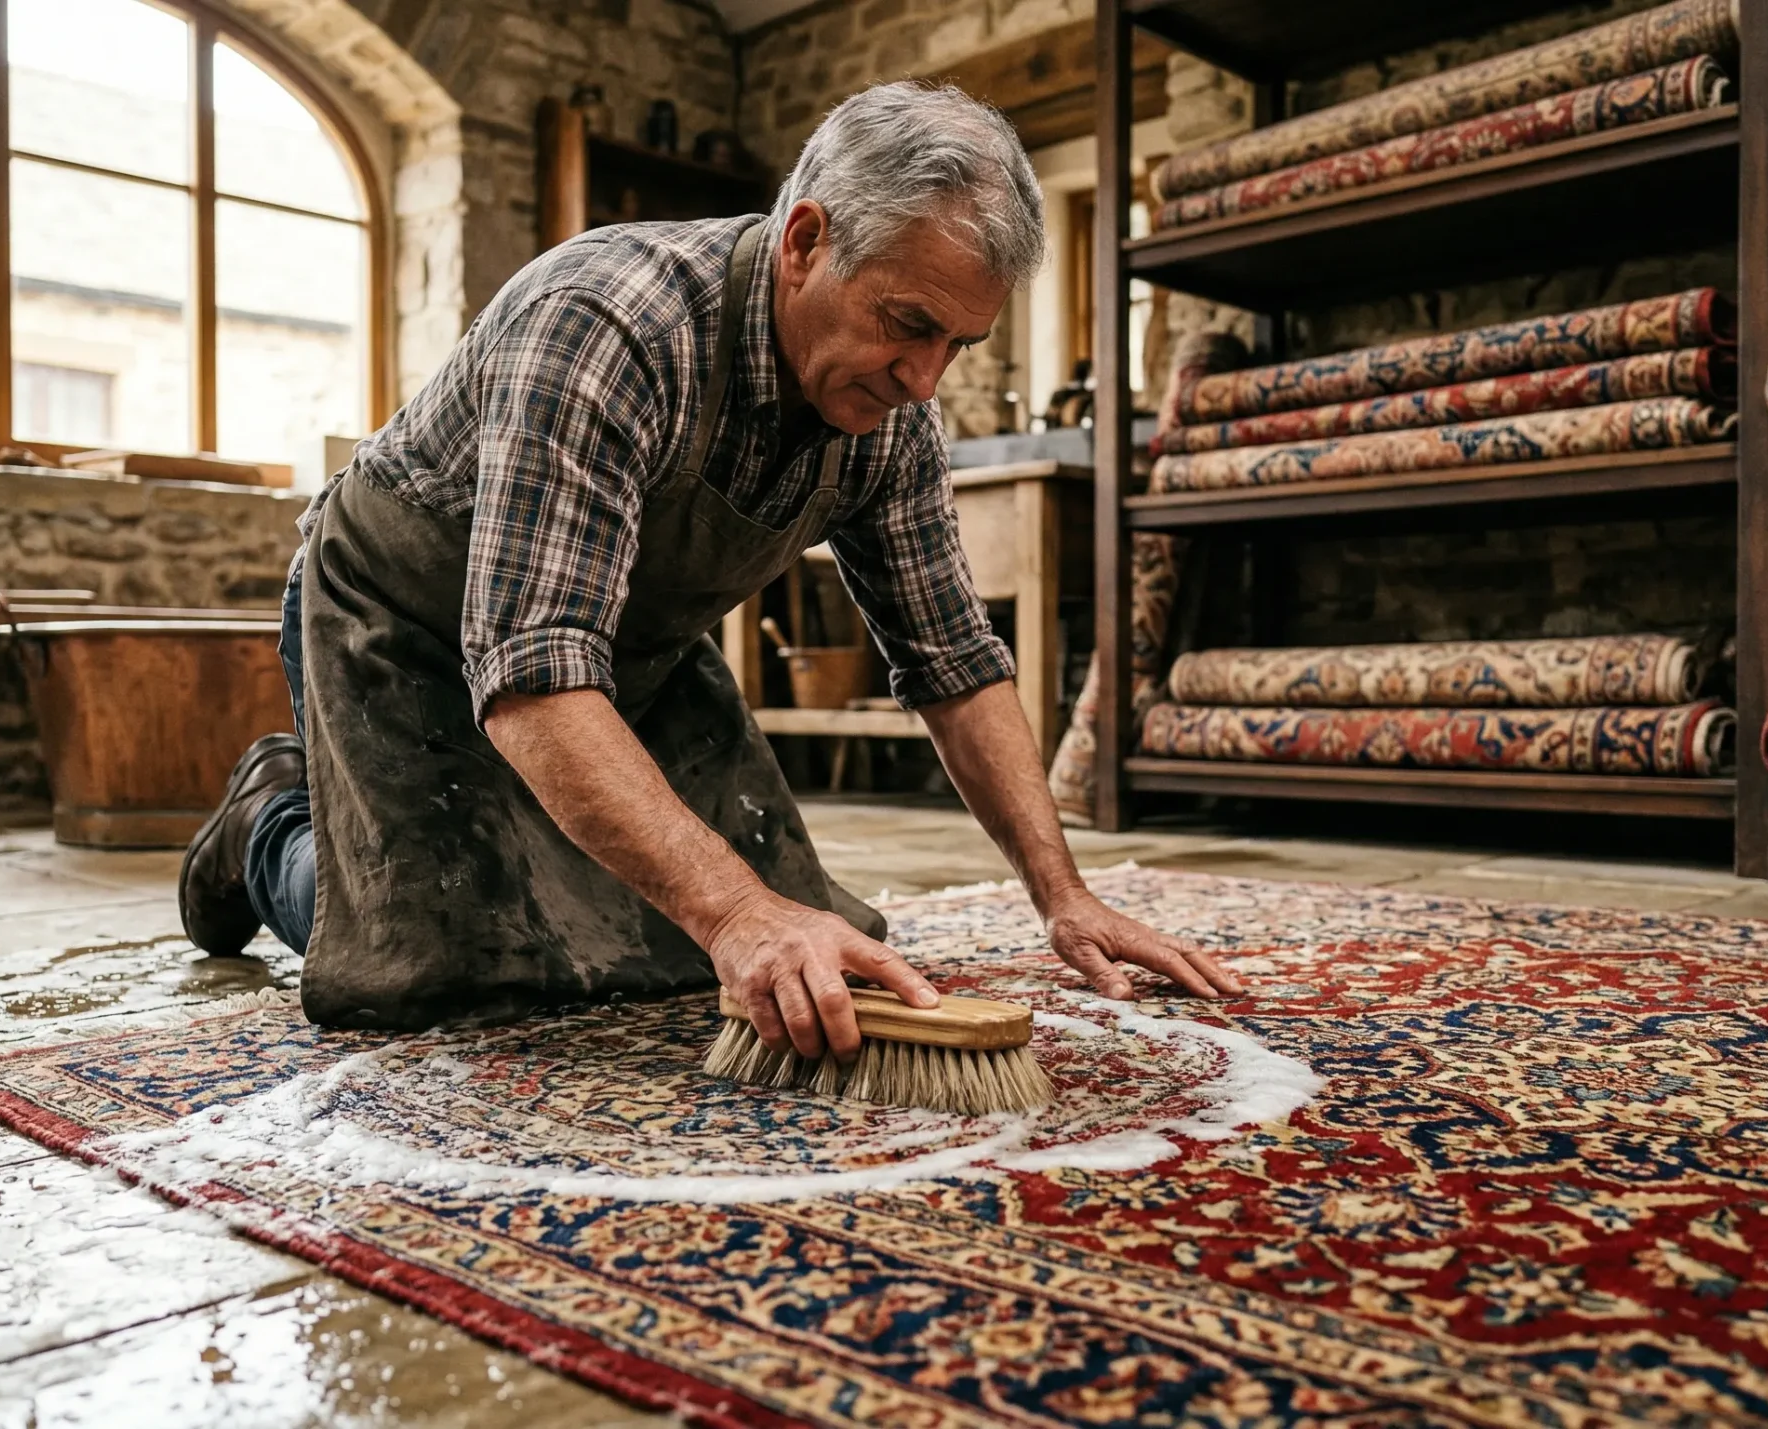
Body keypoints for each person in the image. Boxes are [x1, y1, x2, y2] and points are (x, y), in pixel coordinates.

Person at [177, 81, 1241, 1061]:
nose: (925, 379)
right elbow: (534, 679)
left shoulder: (895, 420)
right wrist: (734, 910)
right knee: (446, 967)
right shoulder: (604, 322)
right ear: (805, 240)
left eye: (959, 343)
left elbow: (954, 663)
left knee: (802, 950)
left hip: (625, 654)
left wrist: (1061, 893)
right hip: (404, 621)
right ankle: (271, 819)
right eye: (908, 325)